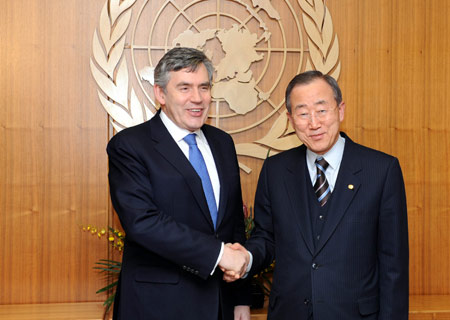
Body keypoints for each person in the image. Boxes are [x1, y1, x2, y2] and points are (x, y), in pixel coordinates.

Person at [228, 70, 409, 319]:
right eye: (303, 113)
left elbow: (393, 265)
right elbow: (267, 238)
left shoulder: (381, 170)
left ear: (340, 110)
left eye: (322, 110)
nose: (313, 123)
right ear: (291, 120)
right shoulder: (276, 171)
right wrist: (246, 258)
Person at [107, 47, 251, 320]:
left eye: (204, 87)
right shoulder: (130, 146)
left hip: (219, 305)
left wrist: (240, 299)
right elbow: (142, 222)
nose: (197, 98)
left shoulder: (223, 143)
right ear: (160, 94)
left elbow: (232, 225)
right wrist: (219, 254)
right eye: (184, 88)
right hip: (157, 306)